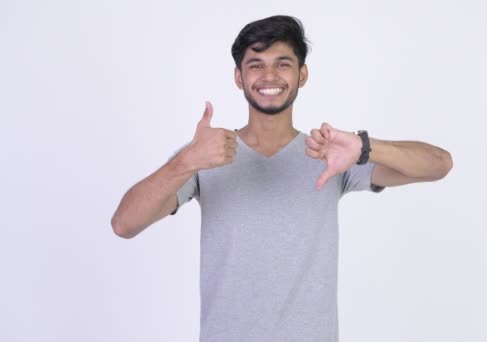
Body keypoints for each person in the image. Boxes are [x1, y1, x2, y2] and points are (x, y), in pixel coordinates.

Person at [111, 15, 452, 342]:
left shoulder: (330, 153)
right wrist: (185, 161)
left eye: (282, 63)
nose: (269, 75)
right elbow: (124, 224)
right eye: (256, 64)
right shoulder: (206, 154)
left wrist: (365, 146)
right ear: (238, 77)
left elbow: (439, 165)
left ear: (302, 74)